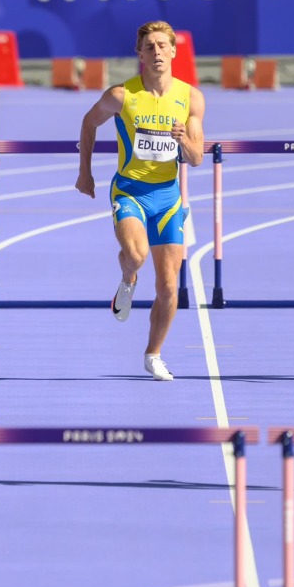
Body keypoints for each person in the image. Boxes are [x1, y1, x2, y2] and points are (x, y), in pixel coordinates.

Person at [74, 20, 205, 381]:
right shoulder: (122, 95)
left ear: (174, 51)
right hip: (130, 191)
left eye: (163, 46)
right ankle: (128, 279)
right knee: (136, 254)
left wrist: (184, 141)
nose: (157, 52)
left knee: (168, 285)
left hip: (168, 198)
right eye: (150, 47)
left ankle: (153, 353)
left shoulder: (190, 97)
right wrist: (85, 172)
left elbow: (196, 159)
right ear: (140, 55)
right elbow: (88, 123)